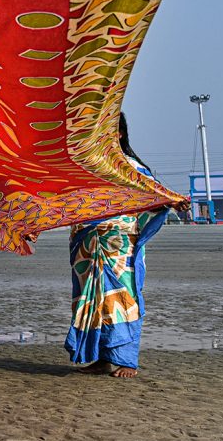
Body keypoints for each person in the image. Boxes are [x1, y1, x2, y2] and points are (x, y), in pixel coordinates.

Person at [66, 114, 171, 380]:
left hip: (120, 247)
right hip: (87, 248)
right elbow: (61, 202)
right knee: (94, 302)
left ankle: (126, 359)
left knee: (122, 299)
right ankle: (103, 360)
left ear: (121, 135)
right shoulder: (86, 168)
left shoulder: (132, 169)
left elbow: (154, 197)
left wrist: (172, 201)